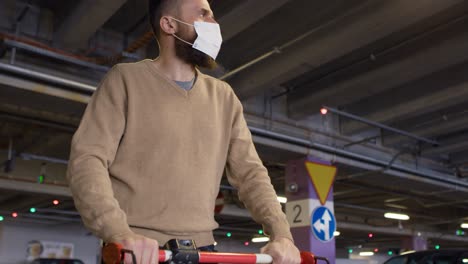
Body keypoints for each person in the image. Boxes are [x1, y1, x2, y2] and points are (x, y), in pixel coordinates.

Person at [66, 0, 301, 263]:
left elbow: (251, 174)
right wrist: (117, 232)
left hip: (203, 251)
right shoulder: (125, 80)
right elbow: (87, 161)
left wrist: (282, 234)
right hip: (138, 251)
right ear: (169, 24)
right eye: (203, 14)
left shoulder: (223, 97)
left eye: (213, 16)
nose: (214, 23)